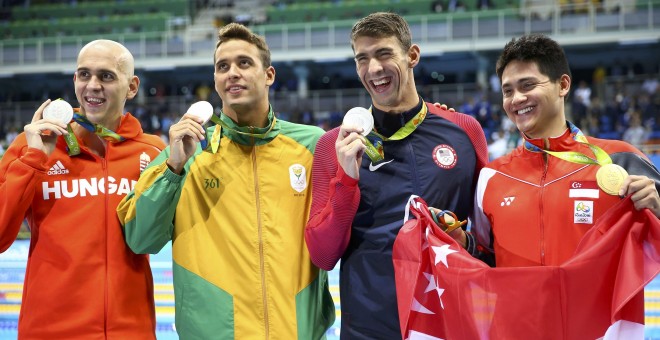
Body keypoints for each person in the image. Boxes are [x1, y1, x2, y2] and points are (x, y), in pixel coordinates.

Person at [116, 23, 335, 339]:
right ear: (216, 82)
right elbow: (140, 239)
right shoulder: (185, 153)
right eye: (223, 67)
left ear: (268, 75)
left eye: (244, 63)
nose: (232, 73)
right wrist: (174, 167)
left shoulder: (312, 146)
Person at [305, 12, 489, 338]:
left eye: (384, 54)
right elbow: (322, 255)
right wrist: (347, 179)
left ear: (412, 56)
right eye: (362, 59)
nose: (373, 68)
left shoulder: (464, 131)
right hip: (369, 329)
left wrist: (466, 242)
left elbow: (488, 242)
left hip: (448, 324)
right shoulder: (334, 144)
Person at [0, 40, 164, 339]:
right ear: (74, 80)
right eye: (84, 74)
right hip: (48, 331)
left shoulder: (153, 152)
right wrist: (34, 159)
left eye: (106, 76)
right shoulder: (31, 145)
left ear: (132, 86)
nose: (93, 85)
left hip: (130, 330)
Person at [461, 33, 660, 267]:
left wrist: (657, 212)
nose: (517, 98)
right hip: (518, 305)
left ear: (563, 85)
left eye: (528, 85)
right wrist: (462, 241)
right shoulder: (491, 177)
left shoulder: (619, 159)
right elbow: (486, 258)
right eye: (508, 91)